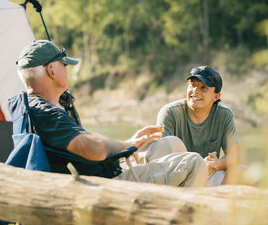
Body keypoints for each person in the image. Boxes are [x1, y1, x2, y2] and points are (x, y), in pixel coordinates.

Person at [15, 39, 208, 187]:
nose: (67, 69)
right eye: (64, 65)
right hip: (102, 185)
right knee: (194, 163)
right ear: (52, 71)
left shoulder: (32, 108)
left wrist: (130, 143)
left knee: (170, 144)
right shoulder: (47, 113)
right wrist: (126, 144)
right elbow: (95, 149)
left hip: (99, 172)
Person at [156, 66, 241, 186]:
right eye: (193, 84)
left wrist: (217, 164)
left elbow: (234, 155)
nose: (195, 91)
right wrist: (198, 167)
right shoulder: (169, 113)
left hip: (208, 174)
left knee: (241, 172)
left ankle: (218, 203)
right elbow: (162, 159)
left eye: (203, 88)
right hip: (174, 176)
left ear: (216, 96)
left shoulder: (224, 115)